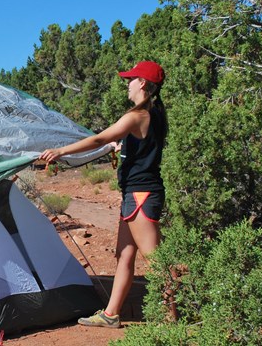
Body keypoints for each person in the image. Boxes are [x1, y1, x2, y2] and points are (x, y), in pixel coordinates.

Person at [40, 61, 167, 328]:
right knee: (124, 255)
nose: (127, 83)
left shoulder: (137, 115)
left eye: (131, 79)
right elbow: (139, 145)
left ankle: (175, 319)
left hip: (141, 195)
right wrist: (121, 146)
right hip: (136, 194)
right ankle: (111, 315)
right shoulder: (154, 114)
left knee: (157, 262)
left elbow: (98, 139)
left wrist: (61, 151)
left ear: (143, 83)